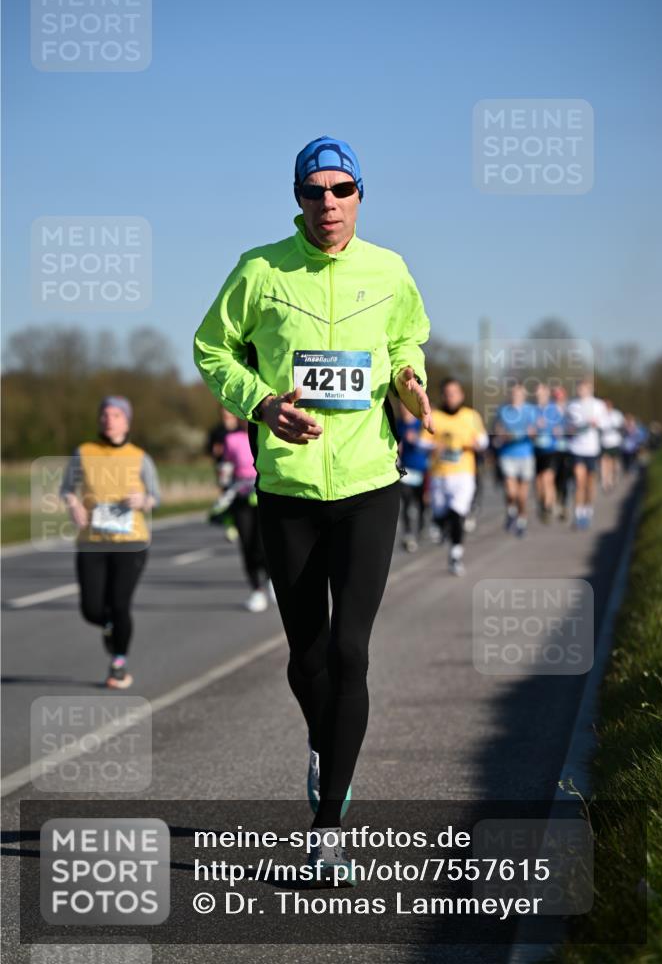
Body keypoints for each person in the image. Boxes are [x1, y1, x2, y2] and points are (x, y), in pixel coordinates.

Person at [193, 135, 432, 885]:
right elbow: (210, 350)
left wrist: (409, 377)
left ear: (360, 194)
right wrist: (263, 405)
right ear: (295, 199)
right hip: (288, 487)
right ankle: (326, 745)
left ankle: (328, 826)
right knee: (306, 655)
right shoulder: (258, 269)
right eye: (312, 192)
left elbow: (406, 340)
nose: (326, 204)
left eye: (340, 190)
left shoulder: (388, 269)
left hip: (367, 481)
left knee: (351, 652)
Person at [60, 396, 160, 689]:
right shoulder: (83, 452)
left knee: (119, 604)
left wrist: (143, 500)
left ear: (126, 421)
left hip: (131, 542)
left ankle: (119, 662)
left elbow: (155, 496)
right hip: (92, 541)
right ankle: (107, 627)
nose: (108, 419)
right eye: (104, 414)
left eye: (116, 414)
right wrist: (73, 505)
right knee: (91, 609)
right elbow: (67, 488)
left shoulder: (140, 457)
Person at [422, 377, 488, 575]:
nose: (451, 397)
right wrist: (434, 445)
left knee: (457, 513)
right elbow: (421, 442)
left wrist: (478, 444)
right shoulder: (435, 415)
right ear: (443, 395)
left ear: (461, 395)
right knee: (442, 514)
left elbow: (483, 440)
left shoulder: (471, 416)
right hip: (439, 475)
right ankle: (440, 526)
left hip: (464, 474)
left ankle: (455, 554)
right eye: (447, 393)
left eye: (454, 393)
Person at [211, 407, 273, 612]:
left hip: (265, 494)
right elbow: (226, 467)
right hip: (241, 497)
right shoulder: (232, 439)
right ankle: (256, 590)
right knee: (247, 545)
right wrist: (224, 486)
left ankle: (272, 579)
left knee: (264, 543)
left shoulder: (269, 431)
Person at [493, 381, 537, 537]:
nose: (516, 395)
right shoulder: (503, 410)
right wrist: (504, 435)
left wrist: (533, 433)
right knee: (511, 492)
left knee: (522, 496)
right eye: (513, 392)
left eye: (519, 393)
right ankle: (511, 512)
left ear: (524, 394)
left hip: (525, 455)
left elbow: (537, 431)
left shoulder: (531, 410)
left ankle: (521, 521)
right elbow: (497, 430)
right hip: (508, 454)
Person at [565, 377, 606, 529]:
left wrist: (597, 423)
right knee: (579, 481)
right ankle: (578, 514)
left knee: (590, 484)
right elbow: (567, 427)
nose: (581, 391)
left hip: (592, 449)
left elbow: (604, 424)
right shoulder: (571, 405)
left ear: (590, 389)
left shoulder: (598, 405)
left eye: (584, 388)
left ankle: (588, 510)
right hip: (576, 449)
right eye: (579, 388)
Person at [396, 401, 430, 552]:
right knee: (407, 502)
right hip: (405, 470)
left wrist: (416, 440)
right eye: (401, 406)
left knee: (422, 503)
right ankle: (408, 534)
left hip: (422, 469)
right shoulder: (397, 424)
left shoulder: (421, 424)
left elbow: (431, 444)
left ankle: (421, 527)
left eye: (406, 406)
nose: (403, 409)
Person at [533, 382, 563, 522]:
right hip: (536, 450)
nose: (539, 394)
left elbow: (561, 426)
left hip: (551, 449)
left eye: (542, 392)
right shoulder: (532, 409)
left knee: (547, 478)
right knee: (539, 481)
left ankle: (549, 506)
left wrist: (553, 429)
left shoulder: (553, 409)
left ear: (547, 393)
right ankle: (543, 503)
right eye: (537, 392)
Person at [207, 405, 238, 542]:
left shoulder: (241, 429)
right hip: (224, 468)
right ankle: (229, 524)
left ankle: (239, 522)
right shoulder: (217, 432)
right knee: (227, 496)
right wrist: (215, 452)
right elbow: (209, 449)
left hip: (241, 469)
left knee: (240, 497)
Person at [551, 385, 572, 521]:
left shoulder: (570, 408)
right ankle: (555, 502)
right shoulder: (549, 409)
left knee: (565, 479)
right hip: (552, 448)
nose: (558, 396)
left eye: (561, 394)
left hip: (567, 448)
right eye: (556, 394)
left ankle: (564, 504)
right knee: (553, 477)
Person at [599, 398, 624, 491]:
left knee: (613, 462)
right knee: (604, 462)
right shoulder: (600, 415)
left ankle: (613, 476)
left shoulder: (617, 414)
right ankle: (606, 481)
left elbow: (621, 426)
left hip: (615, 442)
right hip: (604, 442)